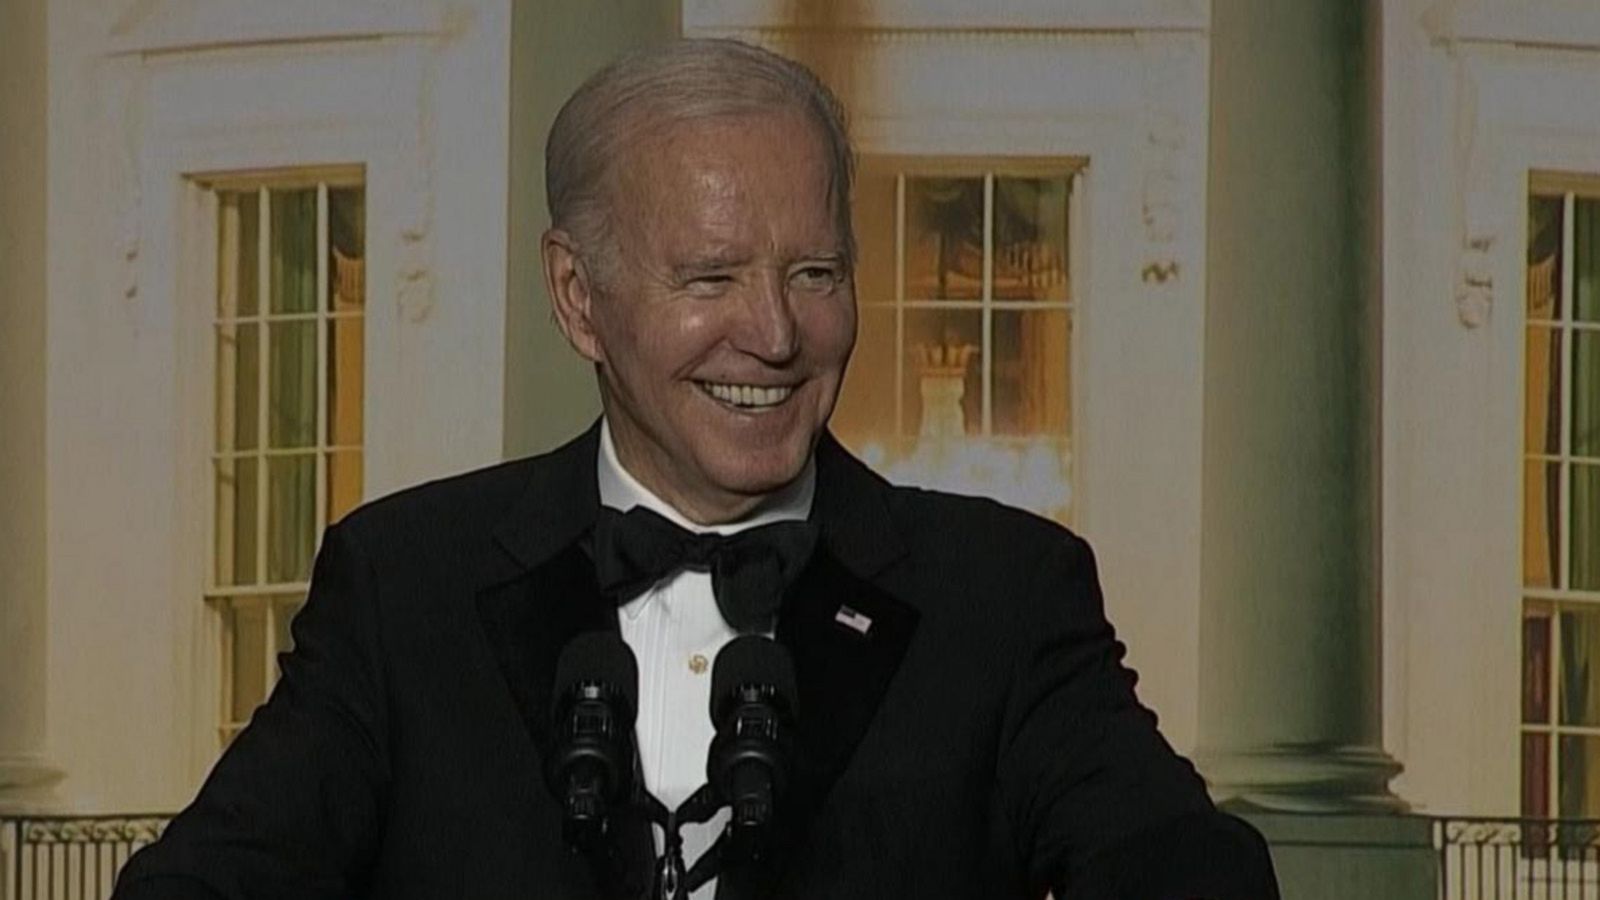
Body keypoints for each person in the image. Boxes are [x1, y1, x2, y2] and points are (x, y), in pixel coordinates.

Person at [114, 39, 1278, 900]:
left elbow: (1184, 876)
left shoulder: (1003, 595)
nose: (775, 334)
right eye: (711, 278)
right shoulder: (402, 583)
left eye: (816, 272)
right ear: (578, 297)